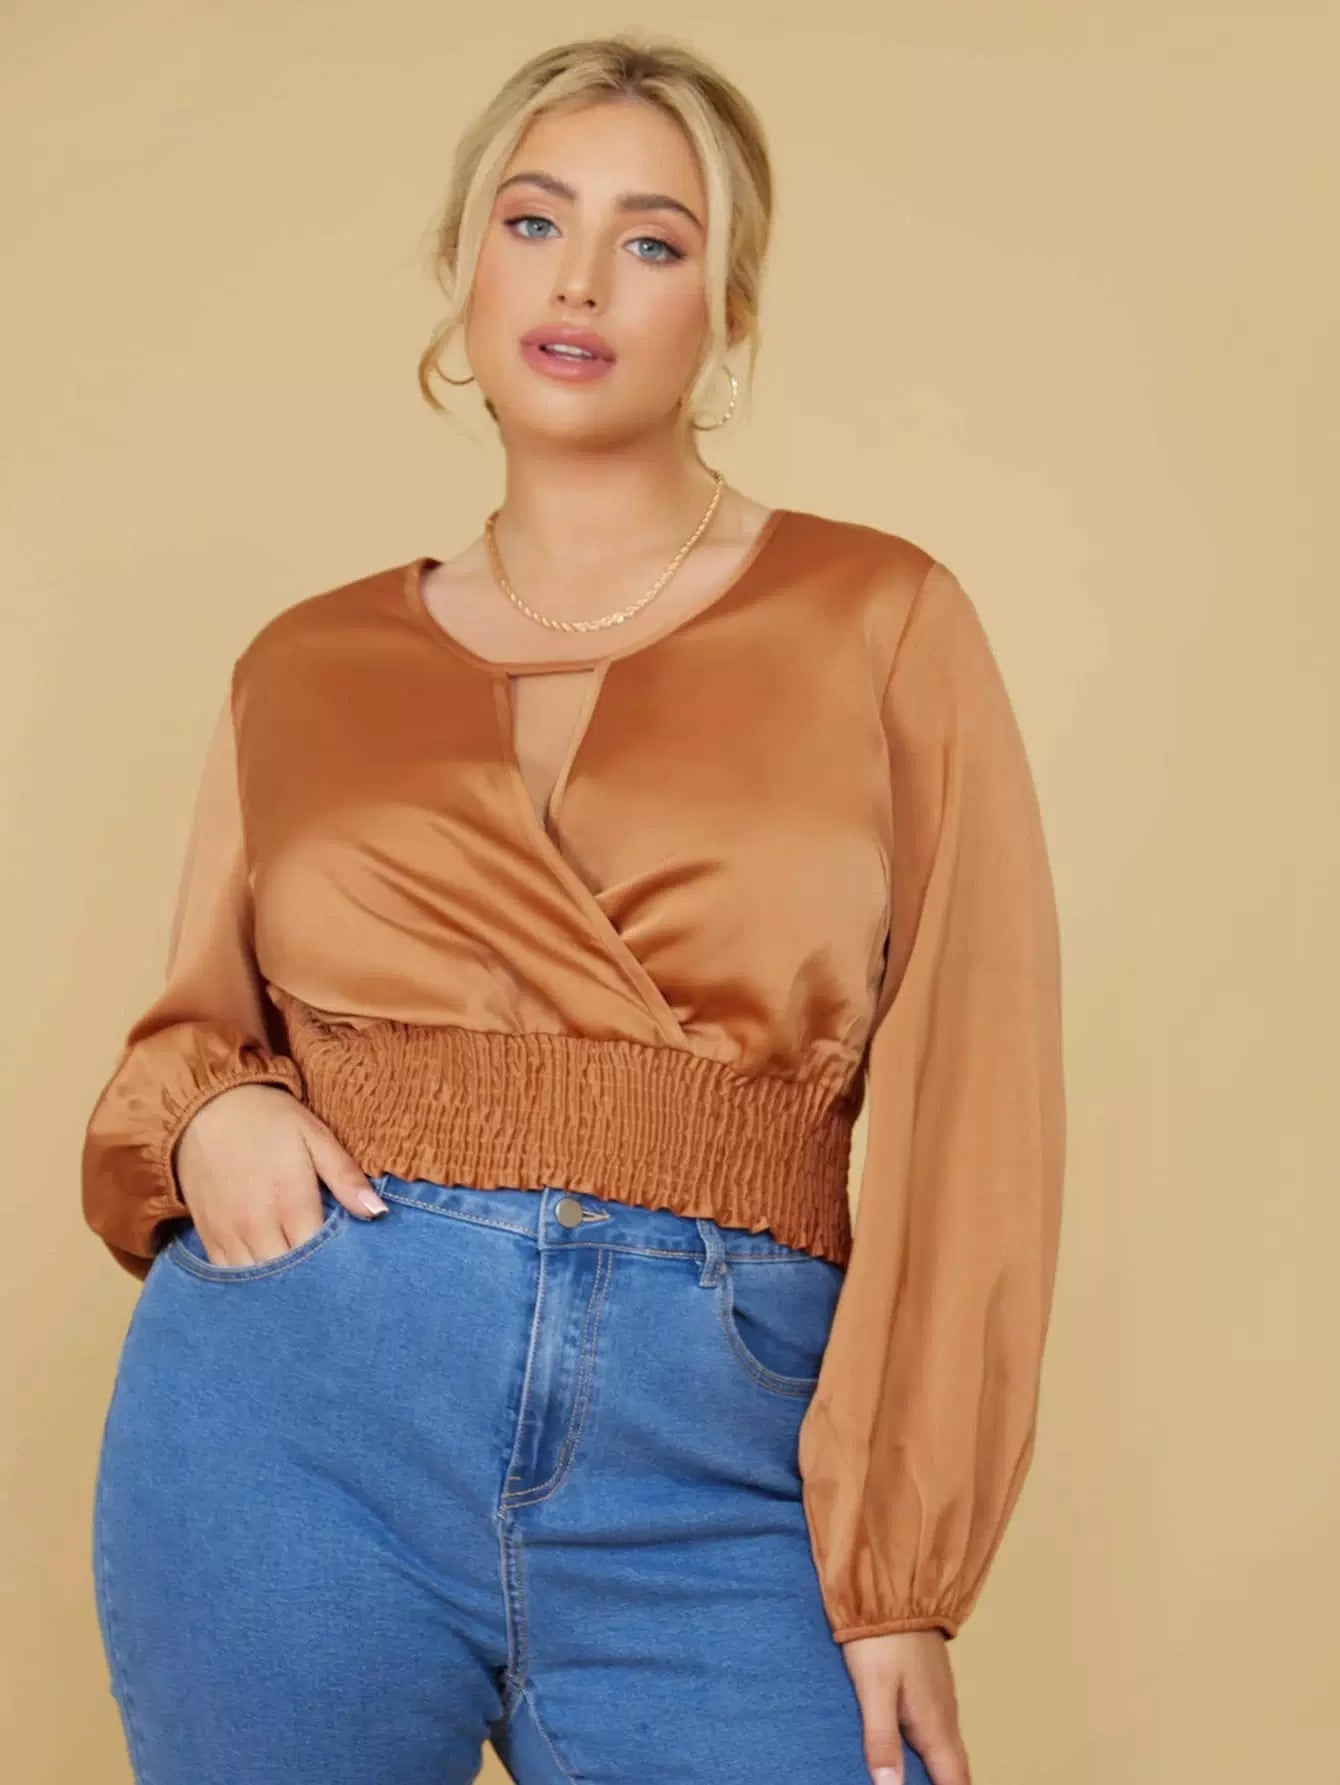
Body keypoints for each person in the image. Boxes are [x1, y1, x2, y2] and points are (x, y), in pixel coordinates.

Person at [82, 33, 1065, 1785]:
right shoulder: (301, 667)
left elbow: (975, 1093)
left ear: (727, 312)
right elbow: (189, 1037)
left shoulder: (880, 617)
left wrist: (903, 1566)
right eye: (534, 220)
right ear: (464, 267)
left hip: (722, 1458)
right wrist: (210, 1110)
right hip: (296, 1414)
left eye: (653, 238)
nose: (581, 278)